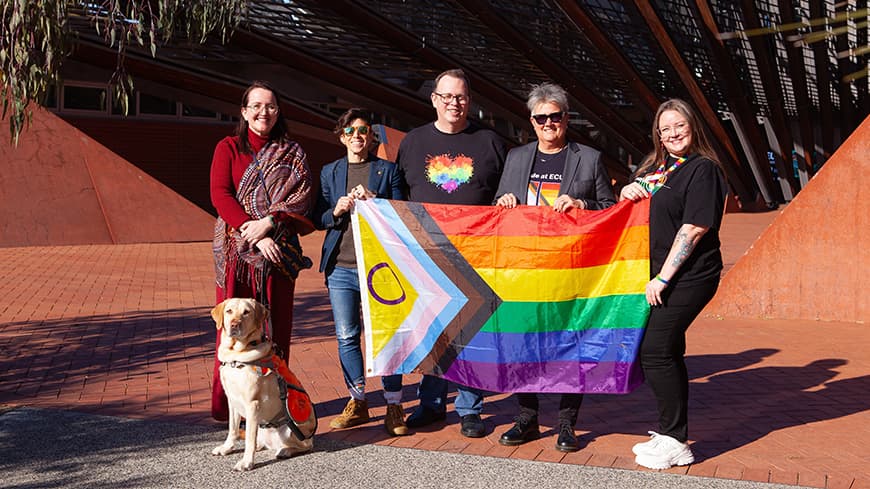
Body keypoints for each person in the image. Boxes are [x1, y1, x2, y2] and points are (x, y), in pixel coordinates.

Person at [493, 82, 615, 452]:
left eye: (555, 116)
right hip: (526, 268)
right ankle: (527, 419)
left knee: (569, 345)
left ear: (566, 118)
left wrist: (580, 203)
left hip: (570, 268)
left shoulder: (588, 158)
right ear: (532, 121)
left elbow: (609, 210)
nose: (548, 123)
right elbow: (498, 206)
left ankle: (566, 424)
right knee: (524, 344)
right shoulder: (516, 157)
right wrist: (504, 200)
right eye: (541, 117)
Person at [396, 68, 506, 438]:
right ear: (434, 100)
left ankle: (470, 407)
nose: (453, 104)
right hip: (426, 255)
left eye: (460, 97)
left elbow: (506, 192)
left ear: (469, 102)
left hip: (475, 252)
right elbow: (398, 196)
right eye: (446, 97)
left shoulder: (490, 142)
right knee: (433, 329)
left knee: (470, 330)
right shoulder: (413, 142)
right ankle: (431, 403)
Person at [619, 98, 728, 469]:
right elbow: (634, 206)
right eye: (665, 129)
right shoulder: (658, 168)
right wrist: (627, 193)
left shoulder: (704, 170)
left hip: (689, 276)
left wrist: (663, 278)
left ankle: (676, 440)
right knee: (668, 350)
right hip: (658, 275)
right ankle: (670, 433)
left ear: (693, 126)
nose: (673, 134)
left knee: (656, 350)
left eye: (679, 125)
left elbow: (694, 228)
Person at [209, 80, 314, 422]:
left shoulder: (292, 152)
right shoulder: (228, 147)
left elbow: (302, 196)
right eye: (256, 106)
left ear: (278, 111)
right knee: (233, 328)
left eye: (270, 106)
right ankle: (229, 407)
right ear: (244, 111)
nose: (263, 112)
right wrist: (248, 230)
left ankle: (276, 402)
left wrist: (268, 224)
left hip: (278, 251)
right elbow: (220, 194)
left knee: (276, 328)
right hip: (236, 254)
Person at [314, 108, 409, 437]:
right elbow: (318, 216)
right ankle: (357, 400)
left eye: (363, 130)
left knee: (387, 335)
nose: (357, 136)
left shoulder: (388, 171)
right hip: (341, 267)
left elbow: (402, 215)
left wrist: (376, 203)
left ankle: (394, 403)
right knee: (346, 336)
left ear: (372, 137)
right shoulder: (330, 172)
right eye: (350, 131)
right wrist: (336, 211)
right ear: (341, 136)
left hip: (380, 269)